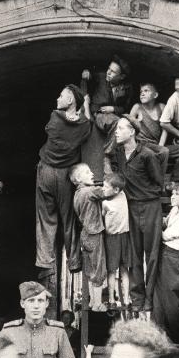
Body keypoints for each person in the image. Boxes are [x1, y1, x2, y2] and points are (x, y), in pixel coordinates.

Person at [36, 84, 91, 278]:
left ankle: (45, 262)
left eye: (61, 96)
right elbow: (86, 125)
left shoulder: (55, 116)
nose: (57, 99)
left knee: (46, 218)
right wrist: (86, 106)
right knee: (69, 219)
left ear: (70, 100)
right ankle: (74, 262)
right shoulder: (84, 124)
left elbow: (50, 131)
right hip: (66, 174)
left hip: (46, 171)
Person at [111, 115, 163, 318]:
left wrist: (145, 195)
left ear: (131, 131)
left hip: (150, 206)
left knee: (151, 256)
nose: (116, 132)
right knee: (133, 256)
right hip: (130, 208)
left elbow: (158, 182)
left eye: (120, 128)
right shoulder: (118, 152)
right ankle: (137, 300)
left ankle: (149, 300)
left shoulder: (147, 154)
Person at [152, 182, 179, 344]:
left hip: (176, 258)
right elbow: (165, 223)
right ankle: (159, 335)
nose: (173, 196)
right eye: (172, 194)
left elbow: (165, 235)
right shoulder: (175, 210)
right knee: (158, 297)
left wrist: (156, 227)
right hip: (166, 255)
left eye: (177, 194)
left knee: (171, 299)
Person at [81, 55, 133, 179]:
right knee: (118, 123)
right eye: (109, 69)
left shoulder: (128, 87)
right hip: (99, 114)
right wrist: (86, 73)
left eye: (113, 71)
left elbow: (126, 107)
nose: (108, 72)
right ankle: (108, 157)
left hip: (114, 114)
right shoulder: (100, 76)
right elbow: (85, 79)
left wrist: (114, 108)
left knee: (126, 125)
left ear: (122, 76)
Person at [70, 163, 107, 291]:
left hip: (85, 234)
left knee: (90, 267)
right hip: (94, 233)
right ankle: (97, 303)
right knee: (99, 268)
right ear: (79, 179)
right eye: (87, 172)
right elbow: (108, 191)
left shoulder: (77, 194)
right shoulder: (90, 191)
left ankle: (92, 301)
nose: (92, 174)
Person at [101, 172, 132, 316]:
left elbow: (101, 219)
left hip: (112, 239)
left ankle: (112, 300)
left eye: (106, 187)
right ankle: (126, 299)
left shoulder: (105, 204)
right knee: (124, 269)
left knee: (111, 270)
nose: (103, 189)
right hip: (125, 237)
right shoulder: (123, 195)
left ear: (115, 190)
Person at [129, 82, 170, 178]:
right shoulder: (137, 107)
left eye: (146, 91)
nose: (142, 93)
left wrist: (160, 145)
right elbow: (129, 127)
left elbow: (165, 128)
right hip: (142, 143)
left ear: (155, 95)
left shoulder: (161, 107)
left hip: (157, 144)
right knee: (163, 152)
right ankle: (158, 180)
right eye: (141, 92)